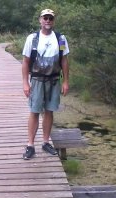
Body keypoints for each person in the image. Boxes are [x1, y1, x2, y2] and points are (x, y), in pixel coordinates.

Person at [22, 8, 70, 160]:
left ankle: (46, 142)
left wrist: (66, 81)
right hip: (36, 80)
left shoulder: (61, 39)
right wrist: (25, 83)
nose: (48, 20)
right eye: (45, 18)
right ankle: (30, 145)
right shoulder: (32, 38)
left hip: (54, 80)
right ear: (40, 20)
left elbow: (64, 60)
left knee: (49, 111)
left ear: (53, 21)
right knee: (34, 111)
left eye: (50, 18)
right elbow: (25, 61)